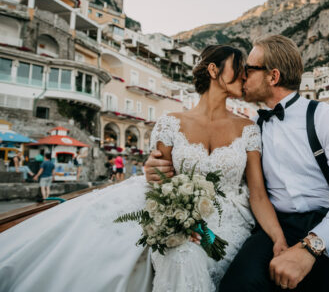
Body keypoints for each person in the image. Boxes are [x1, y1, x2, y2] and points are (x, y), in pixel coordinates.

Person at [0, 44, 285, 291]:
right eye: (238, 67)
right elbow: (160, 180)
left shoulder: (248, 129)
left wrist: (279, 239)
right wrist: (179, 221)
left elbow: (257, 194)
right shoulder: (171, 123)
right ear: (213, 70)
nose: (244, 75)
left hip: (232, 221)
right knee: (181, 253)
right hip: (180, 217)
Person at [146, 35, 329, 291]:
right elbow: (228, 176)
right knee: (238, 285)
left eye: (249, 69)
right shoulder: (251, 128)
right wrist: (157, 169)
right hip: (280, 224)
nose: (242, 74)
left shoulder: (324, 117)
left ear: (272, 76)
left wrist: (311, 246)